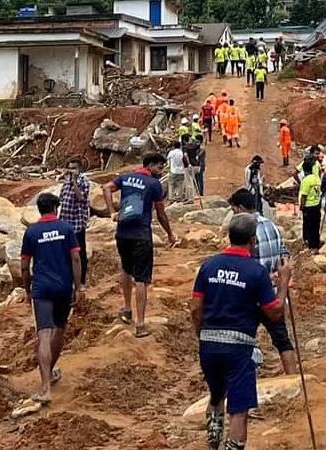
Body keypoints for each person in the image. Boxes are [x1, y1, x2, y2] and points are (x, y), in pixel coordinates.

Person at [191, 213, 292, 450]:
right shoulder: (255, 272)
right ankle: (233, 446)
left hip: (209, 344)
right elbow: (275, 312)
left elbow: (195, 308)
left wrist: (202, 335)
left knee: (217, 392)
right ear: (252, 240)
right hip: (238, 347)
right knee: (239, 407)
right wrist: (284, 280)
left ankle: (214, 432)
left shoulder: (208, 266)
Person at [103, 153, 176, 337]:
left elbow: (106, 187)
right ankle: (141, 324)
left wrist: (112, 212)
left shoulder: (126, 177)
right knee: (142, 278)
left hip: (122, 233)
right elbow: (160, 213)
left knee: (126, 270)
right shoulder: (153, 184)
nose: (161, 171)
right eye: (160, 167)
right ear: (150, 165)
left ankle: (127, 309)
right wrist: (170, 234)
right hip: (141, 235)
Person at [20, 193, 83, 403]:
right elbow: (75, 257)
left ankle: (45, 386)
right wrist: (78, 286)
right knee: (60, 329)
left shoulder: (32, 231)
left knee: (44, 335)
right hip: (63, 287)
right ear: (55, 208)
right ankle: (51, 370)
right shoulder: (66, 229)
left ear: (39, 209)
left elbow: (24, 266)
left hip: (42, 288)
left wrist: (27, 290)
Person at [228, 189, 296, 374]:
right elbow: (284, 253)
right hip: (271, 293)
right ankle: (292, 377)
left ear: (241, 208)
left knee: (242, 337)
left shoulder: (245, 231)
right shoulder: (271, 225)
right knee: (282, 339)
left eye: (234, 210)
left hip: (249, 293)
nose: (233, 214)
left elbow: (242, 262)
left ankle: (245, 375)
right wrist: (282, 274)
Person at [59, 158, 90, 286]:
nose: (71, 171)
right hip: (65, 221)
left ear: (80, 169)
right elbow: (62, 199)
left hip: (77, 223)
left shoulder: (84, 181)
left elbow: (81, 198)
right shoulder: (66, 181)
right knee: (65, 252)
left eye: (74, 168)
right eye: (70, 168)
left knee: (79, 252)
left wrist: (74, 183)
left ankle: (81, 281)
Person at [298, 161, 322, 250]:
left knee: (308, 226)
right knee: (316, 226)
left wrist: (302, 206)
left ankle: (309, 245)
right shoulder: (317, 179)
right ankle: (316, 244)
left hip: (308, 206)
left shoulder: (306, 180)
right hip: (316, 204)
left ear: (304, 170)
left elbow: (304, 195)